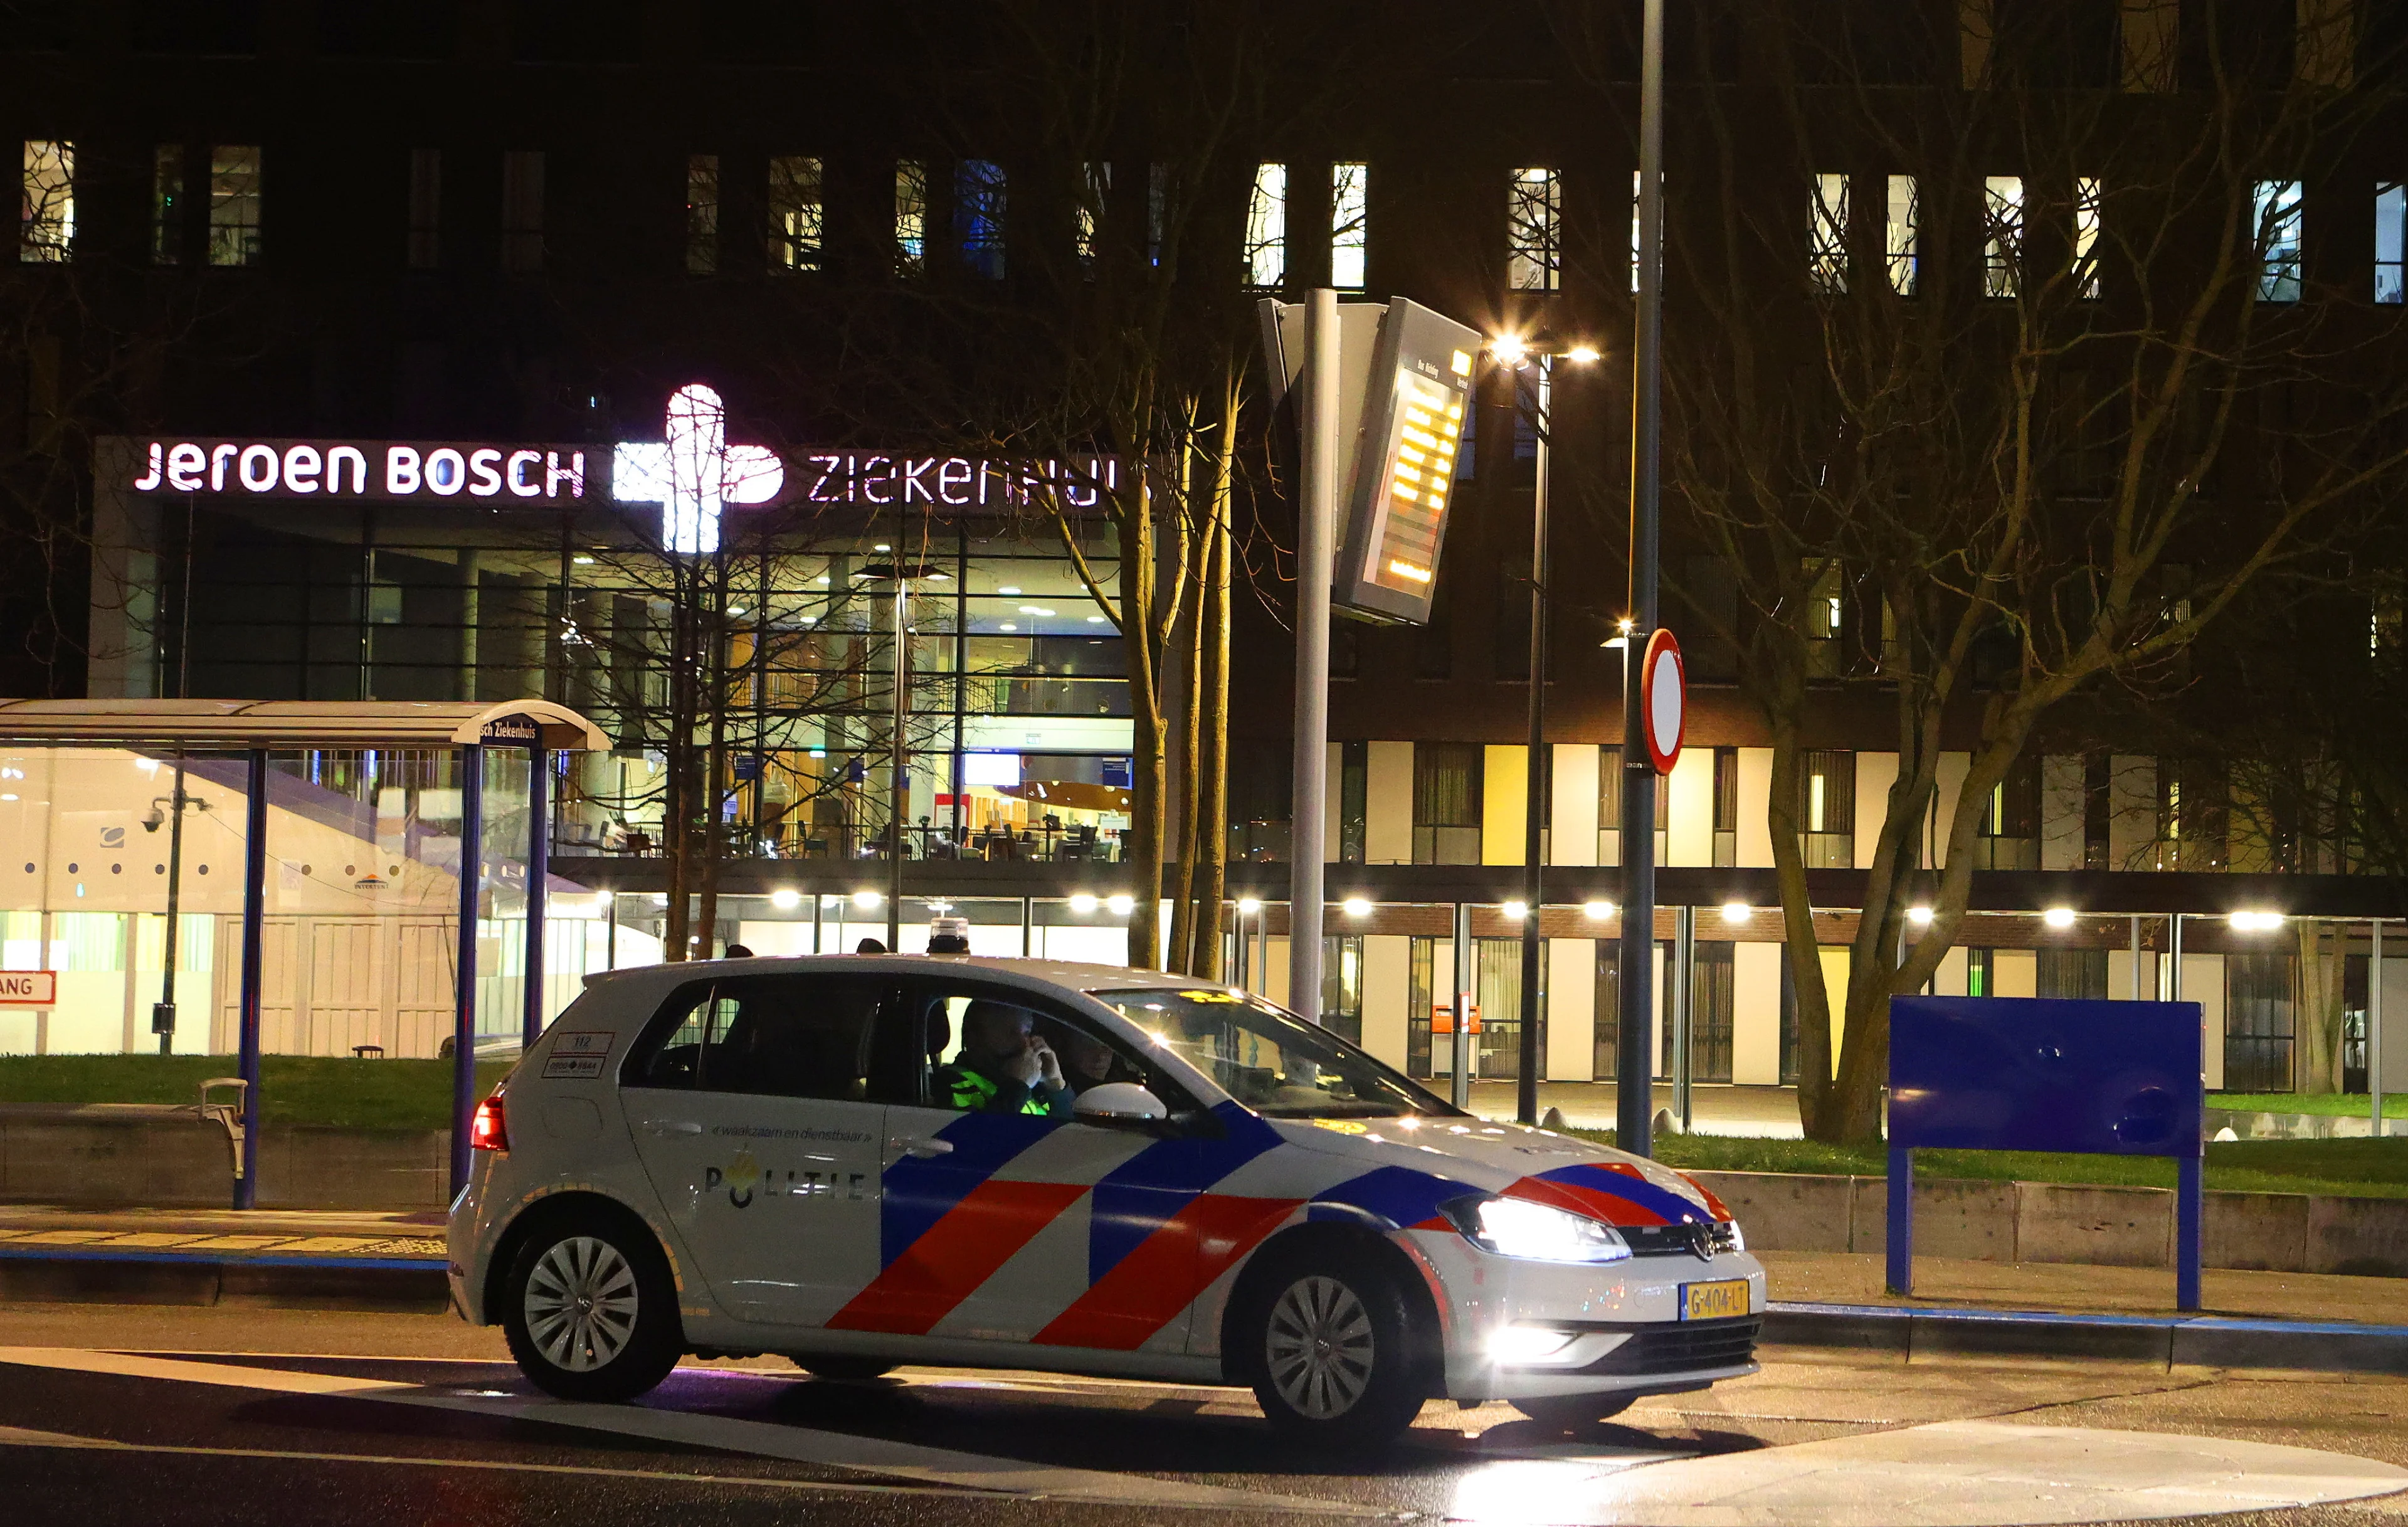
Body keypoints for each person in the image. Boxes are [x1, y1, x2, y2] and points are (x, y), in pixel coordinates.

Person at [939, 999, 1070, 1116]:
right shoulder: (949, 1084)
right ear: (974, 1039)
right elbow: (981, 1137)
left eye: (1027, 1032)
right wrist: (1017, 1087)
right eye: (1010, 1034)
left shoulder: (1034, 1086)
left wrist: (1056, 1084)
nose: (1025, 1043)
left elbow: (1073, 1134)